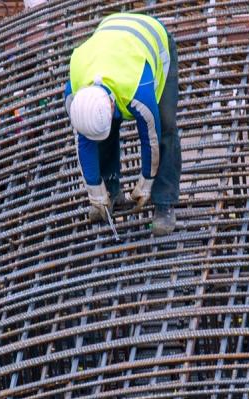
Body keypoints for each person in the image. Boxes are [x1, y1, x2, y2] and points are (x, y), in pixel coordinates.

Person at [64, 13, 181, 235]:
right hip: (110, 34)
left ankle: (164, 203)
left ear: (111, 105)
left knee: (165, 127)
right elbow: (84, 144)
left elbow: (151, 140)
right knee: (100, 134)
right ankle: (109, 192)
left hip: (152, 40)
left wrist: (145, 185)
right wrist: (95, 194)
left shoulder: (139, 92)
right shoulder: (74, 97)